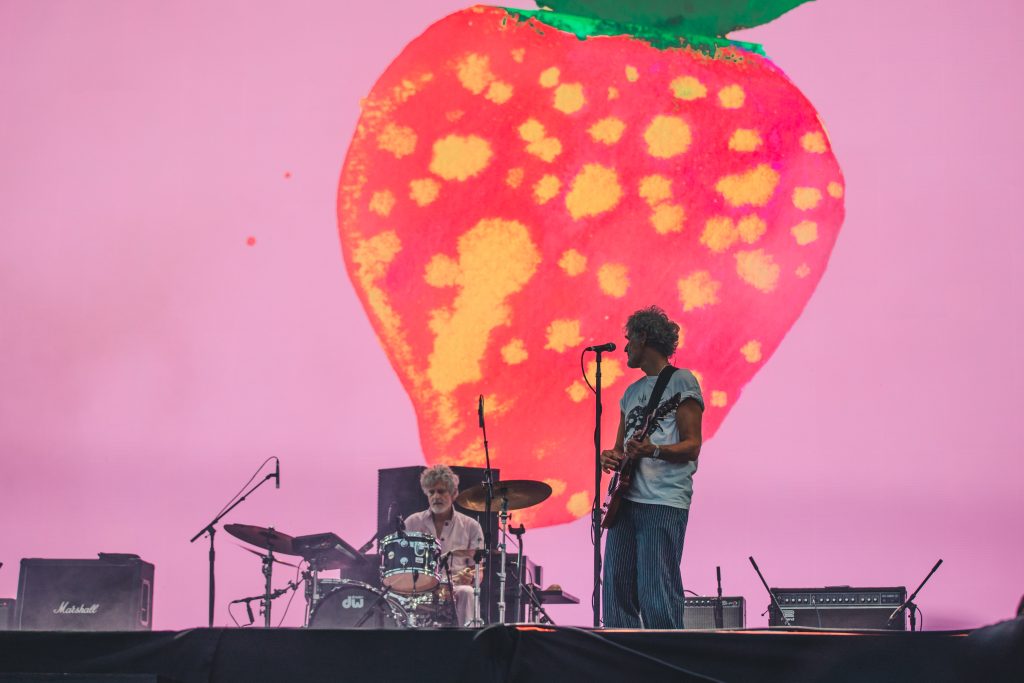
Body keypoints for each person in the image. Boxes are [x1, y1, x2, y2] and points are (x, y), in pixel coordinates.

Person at [599, 305, 704, 629]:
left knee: (657, 591)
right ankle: (622, 655)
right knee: (615, 591)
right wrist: (610, 457)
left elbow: (692, 445)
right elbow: (621, 449)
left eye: (629, 339)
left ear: (643, 337)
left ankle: (665, 655)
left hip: (662, 500)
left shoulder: (681, 380)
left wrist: (654, 450)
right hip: (625, 502)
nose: (625, 348)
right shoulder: (631, 393)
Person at [404, 464, 484, 627]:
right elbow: (403, 563)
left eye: (441, 491)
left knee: (468, 592)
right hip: (420, 588)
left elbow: (478, 569)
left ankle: (468, 639)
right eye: (431, 492)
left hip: (456, 588)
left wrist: (472, 578)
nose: (436, 496)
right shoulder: (412, 522)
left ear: (454, 494)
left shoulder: (471, 526)